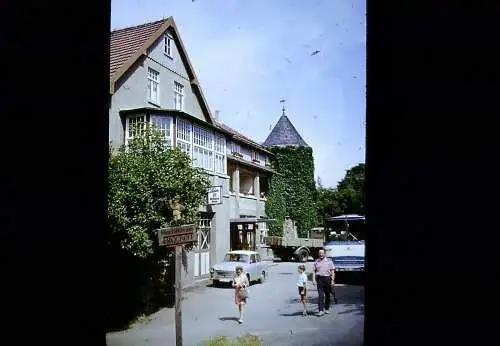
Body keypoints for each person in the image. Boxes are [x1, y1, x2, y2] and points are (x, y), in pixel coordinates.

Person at [312, 249, 336, 316]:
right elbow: (314, 271)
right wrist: (313, 279)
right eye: (320, 253)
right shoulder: (316, 261)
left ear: (325, 254)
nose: (321, 254)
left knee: (327, 295)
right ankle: (320, 310)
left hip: (327, 279)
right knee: (321, 296)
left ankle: (327, 308)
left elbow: (332, 271)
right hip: (319, 279)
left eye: (322, 253)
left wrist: (333, 280)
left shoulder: (329, 261)